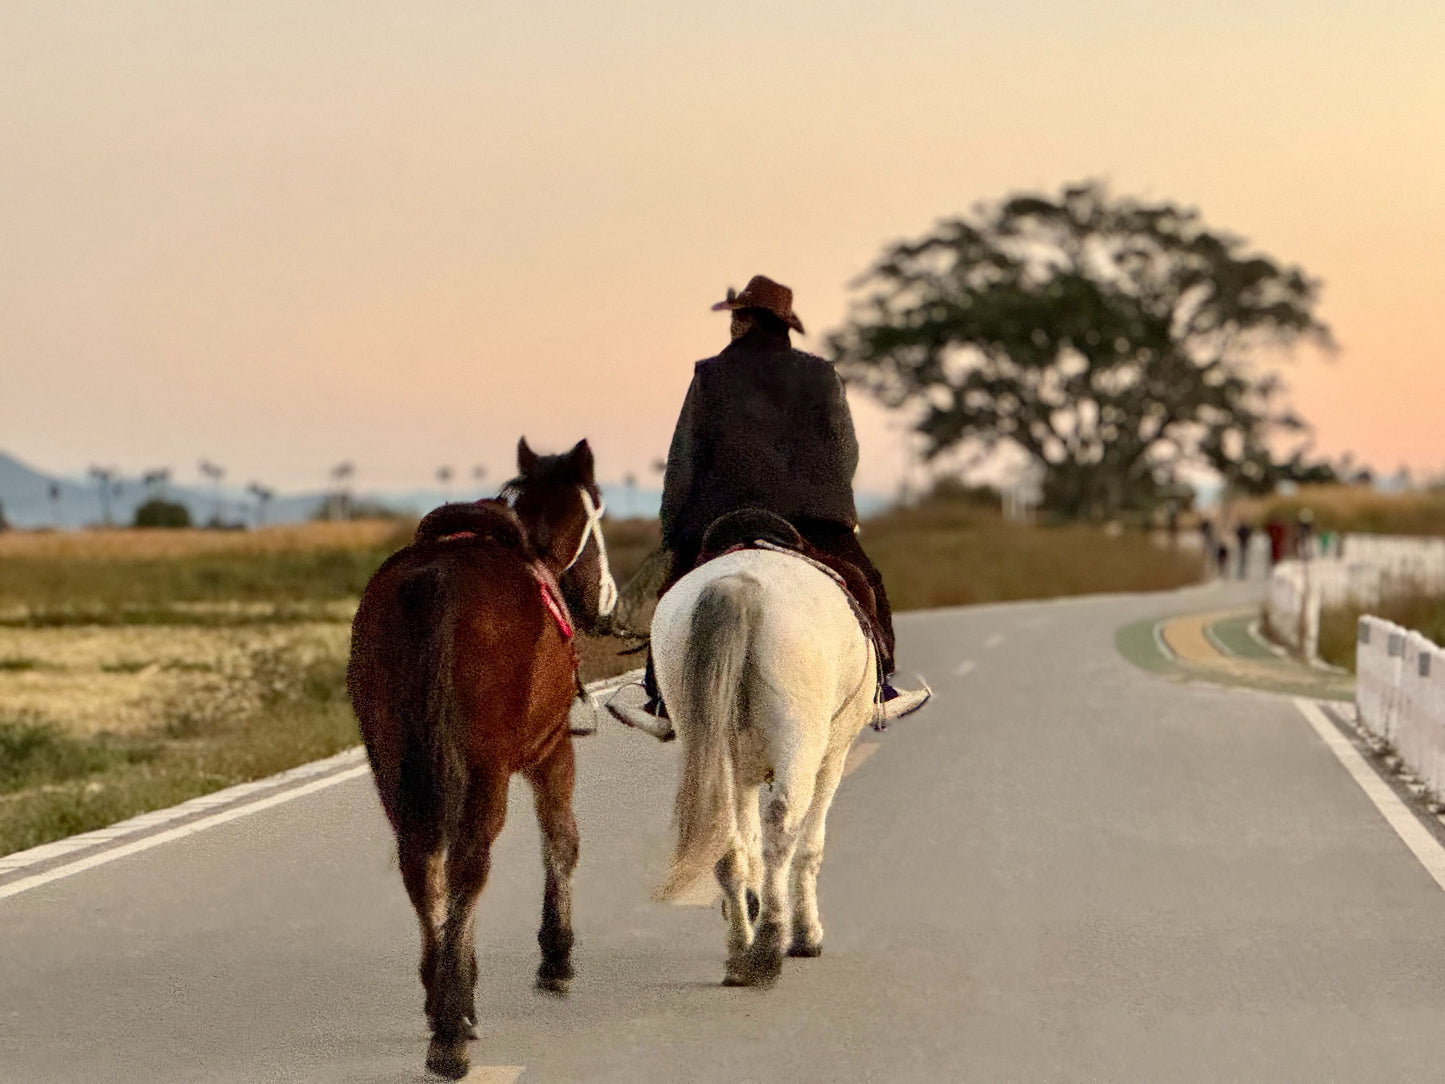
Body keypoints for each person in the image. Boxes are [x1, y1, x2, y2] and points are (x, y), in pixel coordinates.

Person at [607, 275, 929, 731]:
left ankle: (659, 697)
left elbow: (684, 458)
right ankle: (879, 687)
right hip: (811, 519)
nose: (733, 324)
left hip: (721, 517)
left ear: (746, 321)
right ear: (783, 324)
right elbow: (844, 450)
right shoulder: (820, 374)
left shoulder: (710, 374)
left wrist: (673, 529)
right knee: (867, 586)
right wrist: (834, 503)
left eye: (736, 315)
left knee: (673, 595)